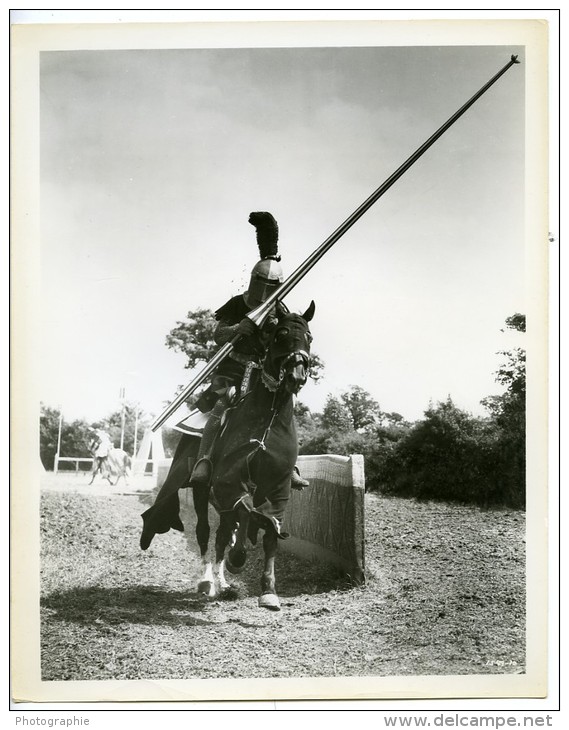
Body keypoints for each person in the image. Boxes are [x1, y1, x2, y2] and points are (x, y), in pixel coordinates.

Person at [188, 211, 309, 489]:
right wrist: (236, 329)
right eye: (262, 284)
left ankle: (288, 464)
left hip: (262, 371)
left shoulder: (279, 309)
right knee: (223, 404)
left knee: (284, 408)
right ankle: (204, 460)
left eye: (272, 286)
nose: (266, 290)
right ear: (253, 280)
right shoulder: (236, 303)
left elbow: (287, 336)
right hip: (233, 367)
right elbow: (218, 334)